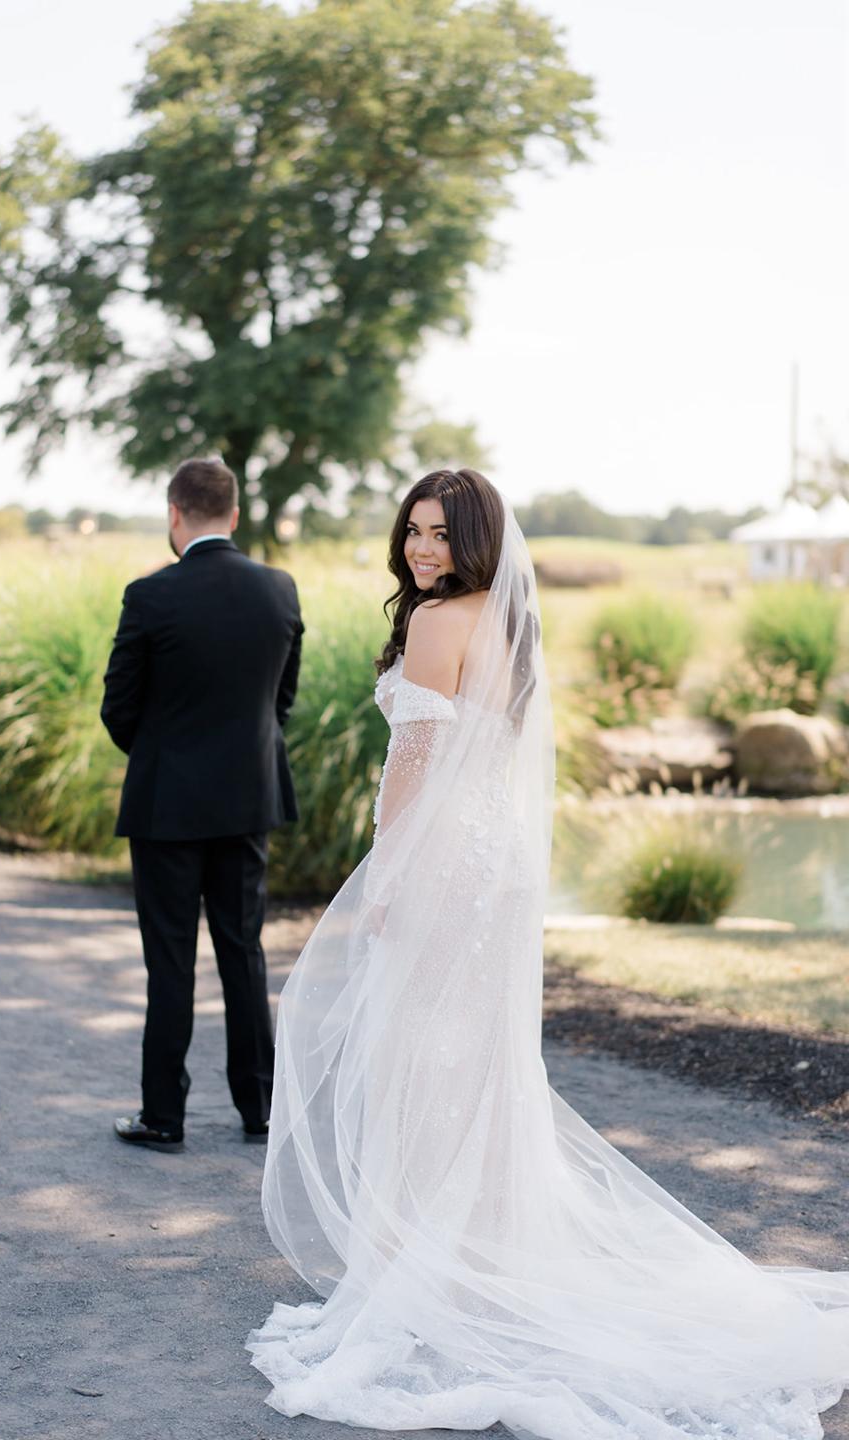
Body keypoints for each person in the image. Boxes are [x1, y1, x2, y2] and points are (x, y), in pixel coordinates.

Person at [247, 468, 849, 1440]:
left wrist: (386, 879)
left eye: (440, 534)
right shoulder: (508, 619)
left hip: (445, 865)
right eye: (413, 531)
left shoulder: (441, 623)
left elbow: (413, 765)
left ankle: (435, 1270)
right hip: (498, 865)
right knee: (474, 1065)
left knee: (422, 1056)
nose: (422, 549)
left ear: (475, 538)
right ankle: (473, 1257)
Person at [101, 457, 304, 1150]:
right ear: (236, 515)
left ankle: (164, 1116)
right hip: (249, 799)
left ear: (174, 514)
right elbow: (282, 703)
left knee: (170, 959)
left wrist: (162, 752)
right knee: (242, 951)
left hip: (166, 805)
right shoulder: (279, 590)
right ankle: (262, 1110)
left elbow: (118, 708)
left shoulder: (150, 595)